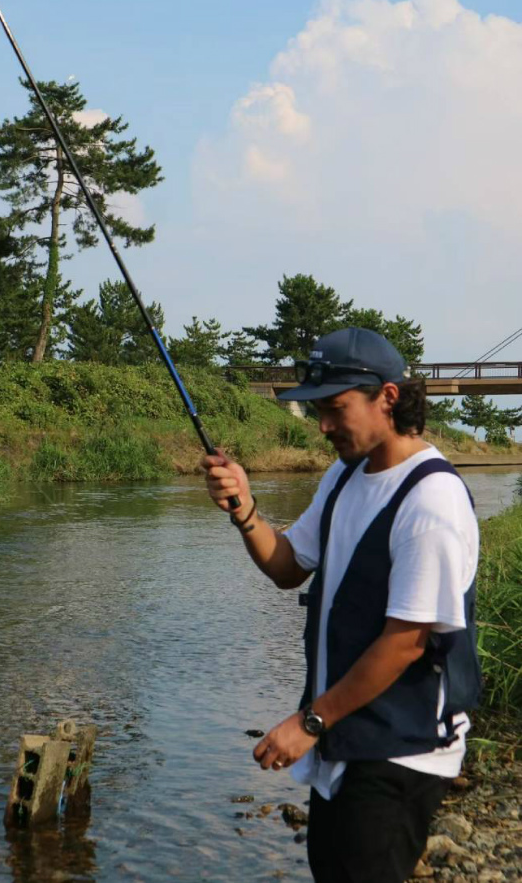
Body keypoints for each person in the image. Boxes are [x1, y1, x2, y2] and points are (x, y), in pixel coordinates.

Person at [201, 327, 480, 883]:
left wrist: (309, 721)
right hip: (349, 740)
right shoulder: (345, 474)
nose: (324, 426)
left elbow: (405, 641)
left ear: (389, 397)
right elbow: (286, 566)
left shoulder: (432, 499)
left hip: (401, 751)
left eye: (335, 409)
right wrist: (244, 508)